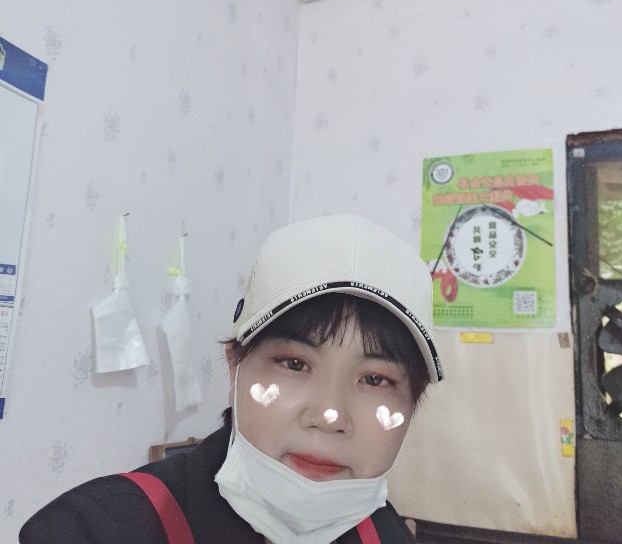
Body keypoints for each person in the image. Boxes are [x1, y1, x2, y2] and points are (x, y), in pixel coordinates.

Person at [20, 213, 443, 544]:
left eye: (375, 380)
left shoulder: (385, 533)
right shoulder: (95, 529)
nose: (329, 416)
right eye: (294, 364)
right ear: (234, 367)